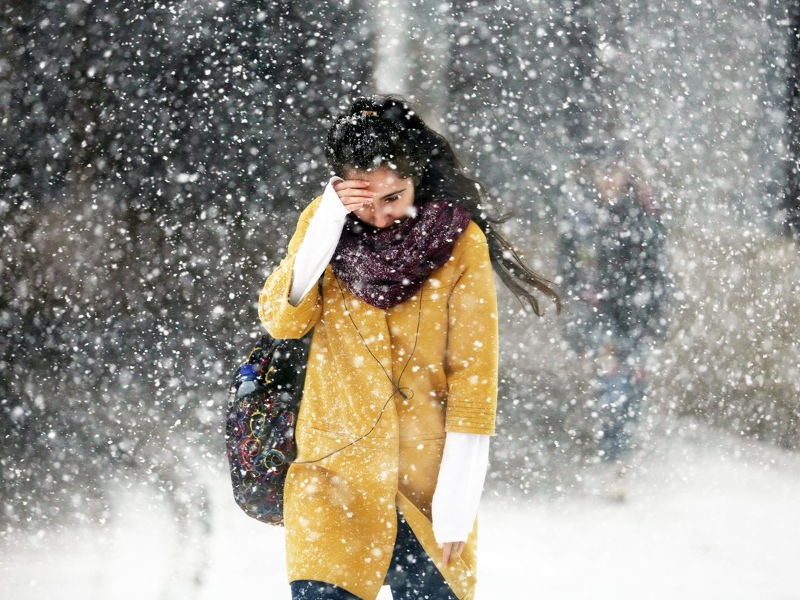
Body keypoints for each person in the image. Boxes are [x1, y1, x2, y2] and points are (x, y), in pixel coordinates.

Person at [259, 95, 559, 600]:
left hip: (425, 483)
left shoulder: (459, 241)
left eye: (394, 197)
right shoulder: (325, 223)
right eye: (364, 200)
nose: (379, 216)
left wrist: (457, 504)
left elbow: (473, 376)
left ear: (415, 177)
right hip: (333, 475)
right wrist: (328, 220)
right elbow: (283, 319)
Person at [557, 154, 671, 470]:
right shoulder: (583, 213)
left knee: (634, 386)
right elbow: (569, 264)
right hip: (601, 314)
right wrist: (576, 308)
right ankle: (614, 456)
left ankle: (621, 450)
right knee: (613, 386)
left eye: (615, 170)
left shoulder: (643, 212)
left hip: (638, 314)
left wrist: (657, 316)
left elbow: (658, 269)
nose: (608, 178)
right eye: (603, 170)